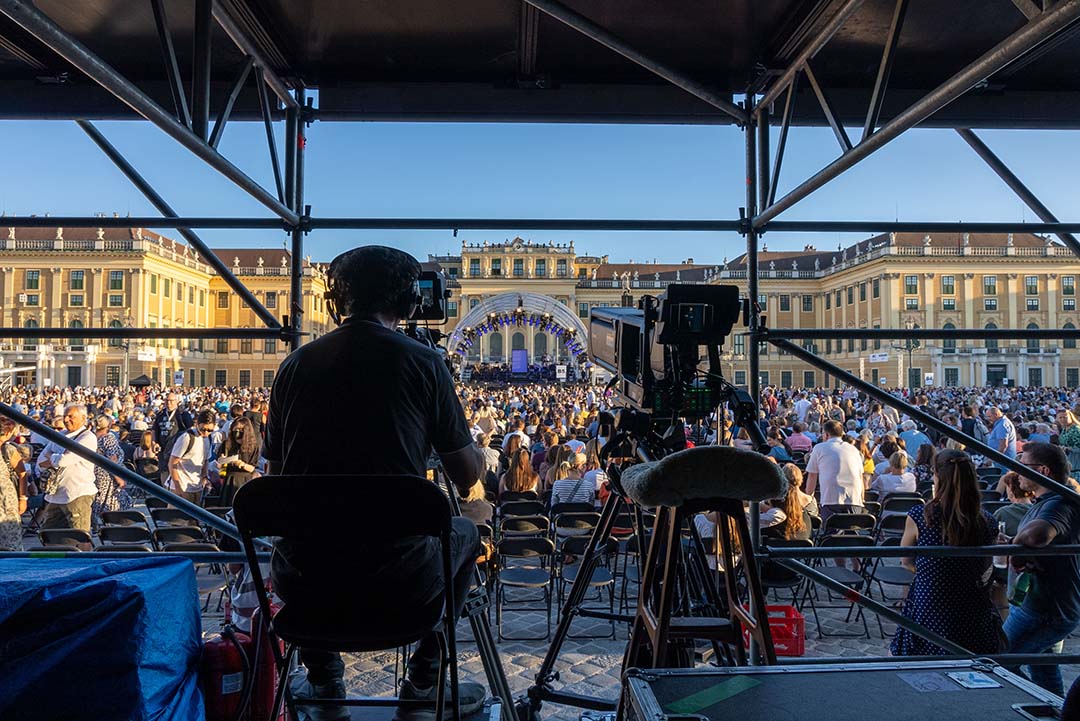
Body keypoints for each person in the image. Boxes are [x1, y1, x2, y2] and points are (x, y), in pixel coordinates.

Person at [264, 245, 486, 720]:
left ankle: (325, 684)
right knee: (467, 532)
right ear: (409, 304)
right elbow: (466, 476)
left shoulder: (292, 368)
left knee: (306, 537)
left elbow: (275, 481)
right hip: (401, 583)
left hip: (307, 585)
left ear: (332, 303)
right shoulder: (425, 364)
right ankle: (424, 683)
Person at [891, 449, 1001, 657]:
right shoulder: (988, 521)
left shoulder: (921, 516)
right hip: (973, 607)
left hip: (931, 603)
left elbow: (905, 560)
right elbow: (986, 568)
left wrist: (933, 575)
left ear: (938, 477)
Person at [1002, 442, 1080, 696]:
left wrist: (1015, 543)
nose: (1017, 473)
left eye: (1023, 466)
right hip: (1049, 603)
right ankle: (1052, 708)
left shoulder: (1060, 503)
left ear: (1043, 471)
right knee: (1044, 668)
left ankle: (1028, 701)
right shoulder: (1051, 499)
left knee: (998, 660)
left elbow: (1038, 536)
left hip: (1045, 608)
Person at [37, 404, 98, 531]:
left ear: (83, 418)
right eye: (65, 416)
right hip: (55, 494)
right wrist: (57, 458)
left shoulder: (87, 437)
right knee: (47, 534)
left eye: (71, 417)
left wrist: (54, 457)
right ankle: (55, 551)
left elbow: (65, 460)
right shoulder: (60, 435)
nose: (66, 420)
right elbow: (41, 461)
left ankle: (83, 552)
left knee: (80, 535)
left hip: (77, 494)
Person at [804, 420, 865, 521]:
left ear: (826, 434)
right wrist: (862, 499)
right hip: (854, 498)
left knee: (831, 532)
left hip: (831, 498)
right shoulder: (853, 450)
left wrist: (808, 498)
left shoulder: (819, 448)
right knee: (851, 532)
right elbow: (860, 476)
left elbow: (812, 475)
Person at [166, 410, 216, 506]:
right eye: (203, 429)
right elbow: (172, 463)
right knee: (178, 519)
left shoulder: (208, 439)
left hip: (197, 486)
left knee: (194, 520)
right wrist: (178, 487)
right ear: (197, 424)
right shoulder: (187, 438)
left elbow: (205, 460)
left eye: (210, 430)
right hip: (182, 484)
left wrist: (205, 477)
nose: (206, 433)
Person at [211, 416, 262, 506]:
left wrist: (241, 464)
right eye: (235, 430)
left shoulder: (253, 446)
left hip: (245, 480)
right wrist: (222, 462)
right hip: (229, 480)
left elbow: (253, 467)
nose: (237, 433)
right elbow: (219, 466)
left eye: (240, 430)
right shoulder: (226, 444)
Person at [91, 414, 128, 530]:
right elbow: (113, 459)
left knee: (99, 500)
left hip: (95, 473)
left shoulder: (92, 437)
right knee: (110, 502)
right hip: (108, 476)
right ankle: (110, 527)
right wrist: (119, 478)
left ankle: (98, 525)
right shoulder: (108, 438)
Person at [153, 392, 192, 484]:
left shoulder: (183, 414)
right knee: (164, 473)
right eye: (167, 401)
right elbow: (154, 430)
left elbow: (190, 430)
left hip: (177, 450)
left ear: (177, 401)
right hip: (163, 450)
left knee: (177, 473)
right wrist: (154, 442)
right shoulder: (161, 414)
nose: (169, 403)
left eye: (171, 401)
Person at [0, 416, 25, 551]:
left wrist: (23, 498)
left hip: (6, 501)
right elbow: (22, 474)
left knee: (10, 541)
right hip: (6, 500)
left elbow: (22, 473)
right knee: (10, 542)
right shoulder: (8, 449)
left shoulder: (8, 450)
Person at [985, 406, 1017, 472]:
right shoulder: (1000, 423)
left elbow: (1003, 446)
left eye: (989, 416)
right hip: (1001, 461)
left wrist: (993, 459)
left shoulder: (1002, 425)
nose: (988, 419)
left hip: (1003, 463)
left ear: (996, 415)